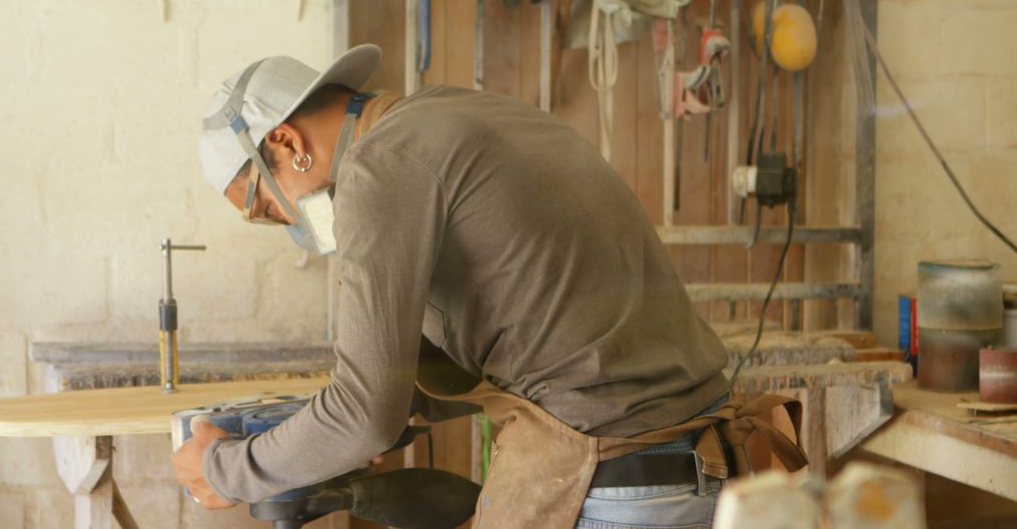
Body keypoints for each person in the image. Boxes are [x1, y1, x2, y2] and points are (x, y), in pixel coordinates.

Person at [172, 45, 790, 528]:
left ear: (284, 142)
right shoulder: (463, 112)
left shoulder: (379, 168)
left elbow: (362, 416)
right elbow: (547, 324)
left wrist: (224, 470)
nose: (281, 221)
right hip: (701, 462)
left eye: (261, 206)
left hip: (616, 486)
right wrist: (379, 417)